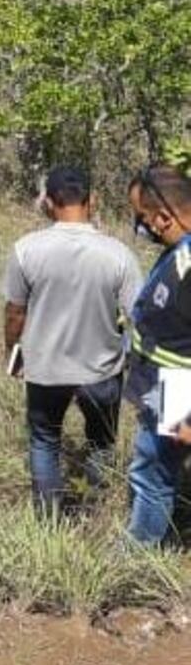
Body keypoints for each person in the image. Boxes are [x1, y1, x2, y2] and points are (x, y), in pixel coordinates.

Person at [2, 165, 142, 518]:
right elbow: (139, 317)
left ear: (48, 203)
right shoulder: (118, 254)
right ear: (93, 201)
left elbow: (15, 312)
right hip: (102, 370)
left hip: (45, 368)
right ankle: (93, 510)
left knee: (44, 441)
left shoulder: (25, 250)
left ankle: (49, 519)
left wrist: (13, 352)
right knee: (101, 442)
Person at [123, 164, 191, 545]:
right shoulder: (178, 251)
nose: (141, 225)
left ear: (165, 217)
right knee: (152, 466)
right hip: (163, 384)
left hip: (180, 388)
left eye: (143, 218)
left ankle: (139, 554)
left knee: (152, 473)